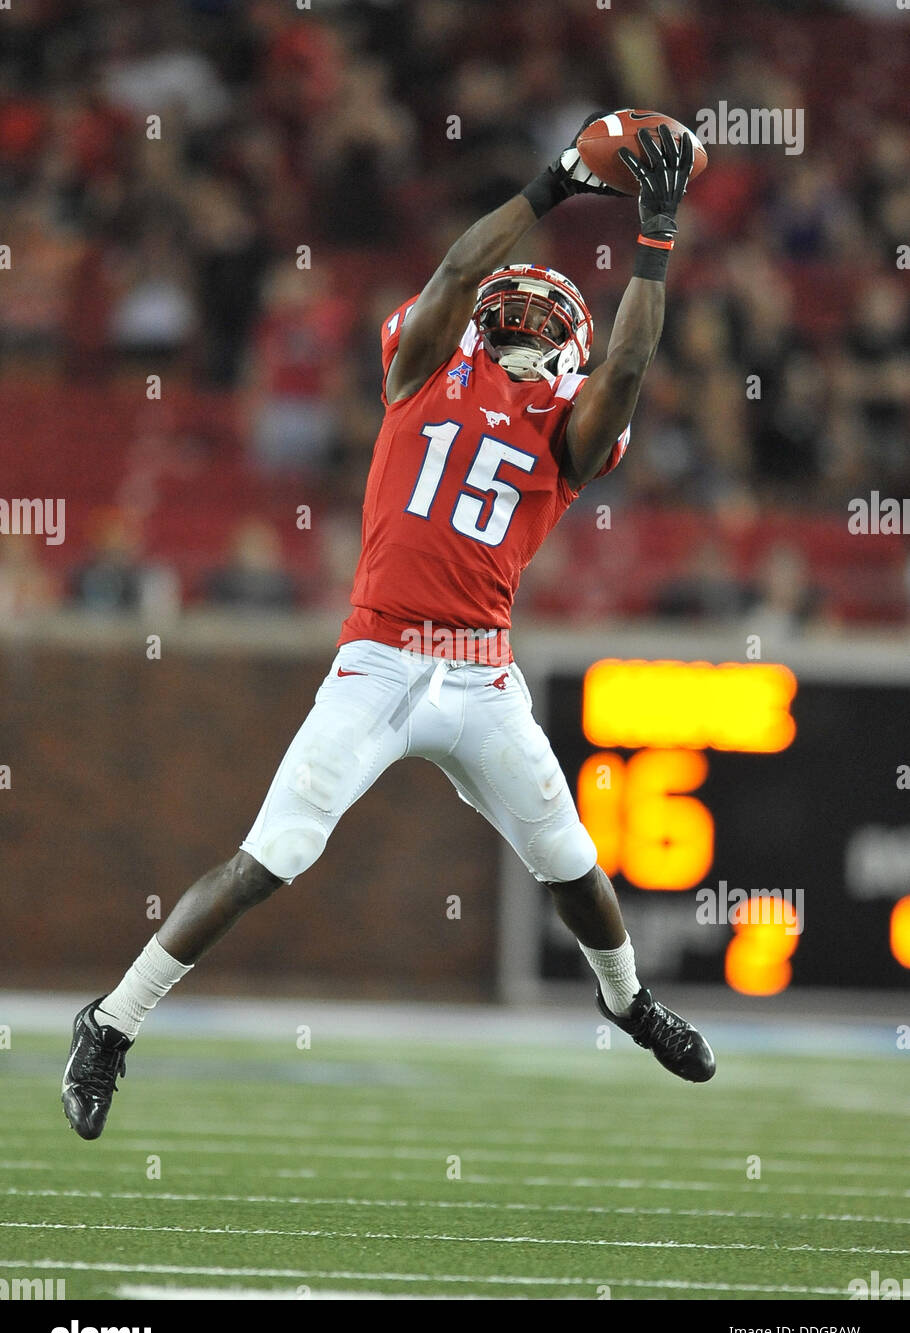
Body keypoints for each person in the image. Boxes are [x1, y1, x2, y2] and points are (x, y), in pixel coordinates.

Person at [63, 114, 715, 1141]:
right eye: (520, 308)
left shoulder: (573, 427)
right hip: (377, 658)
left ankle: (626, 1000)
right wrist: (551, 186)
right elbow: (460, 267)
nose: (527, 323)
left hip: (483, 677)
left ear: (571, 351)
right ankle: (109, 1021)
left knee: (574, 864)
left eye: (550, 319)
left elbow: (628, 373)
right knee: (269, 855)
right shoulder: (421, 369)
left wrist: (655, 237)